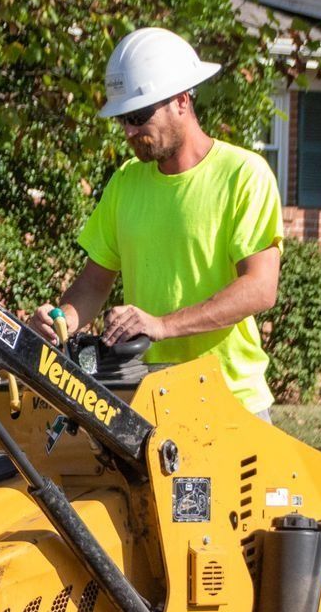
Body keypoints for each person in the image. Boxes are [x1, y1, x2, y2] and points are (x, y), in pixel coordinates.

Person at [30, 27, 283, 418]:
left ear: (181, 101)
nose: (129, 131)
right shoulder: (126, 183)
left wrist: (162, 325)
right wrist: (59, 322)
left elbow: (260, 289)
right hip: (150, 404)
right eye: (122, 120)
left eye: (138, 116)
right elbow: (94, 284)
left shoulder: (243, 176)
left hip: (232, 404)